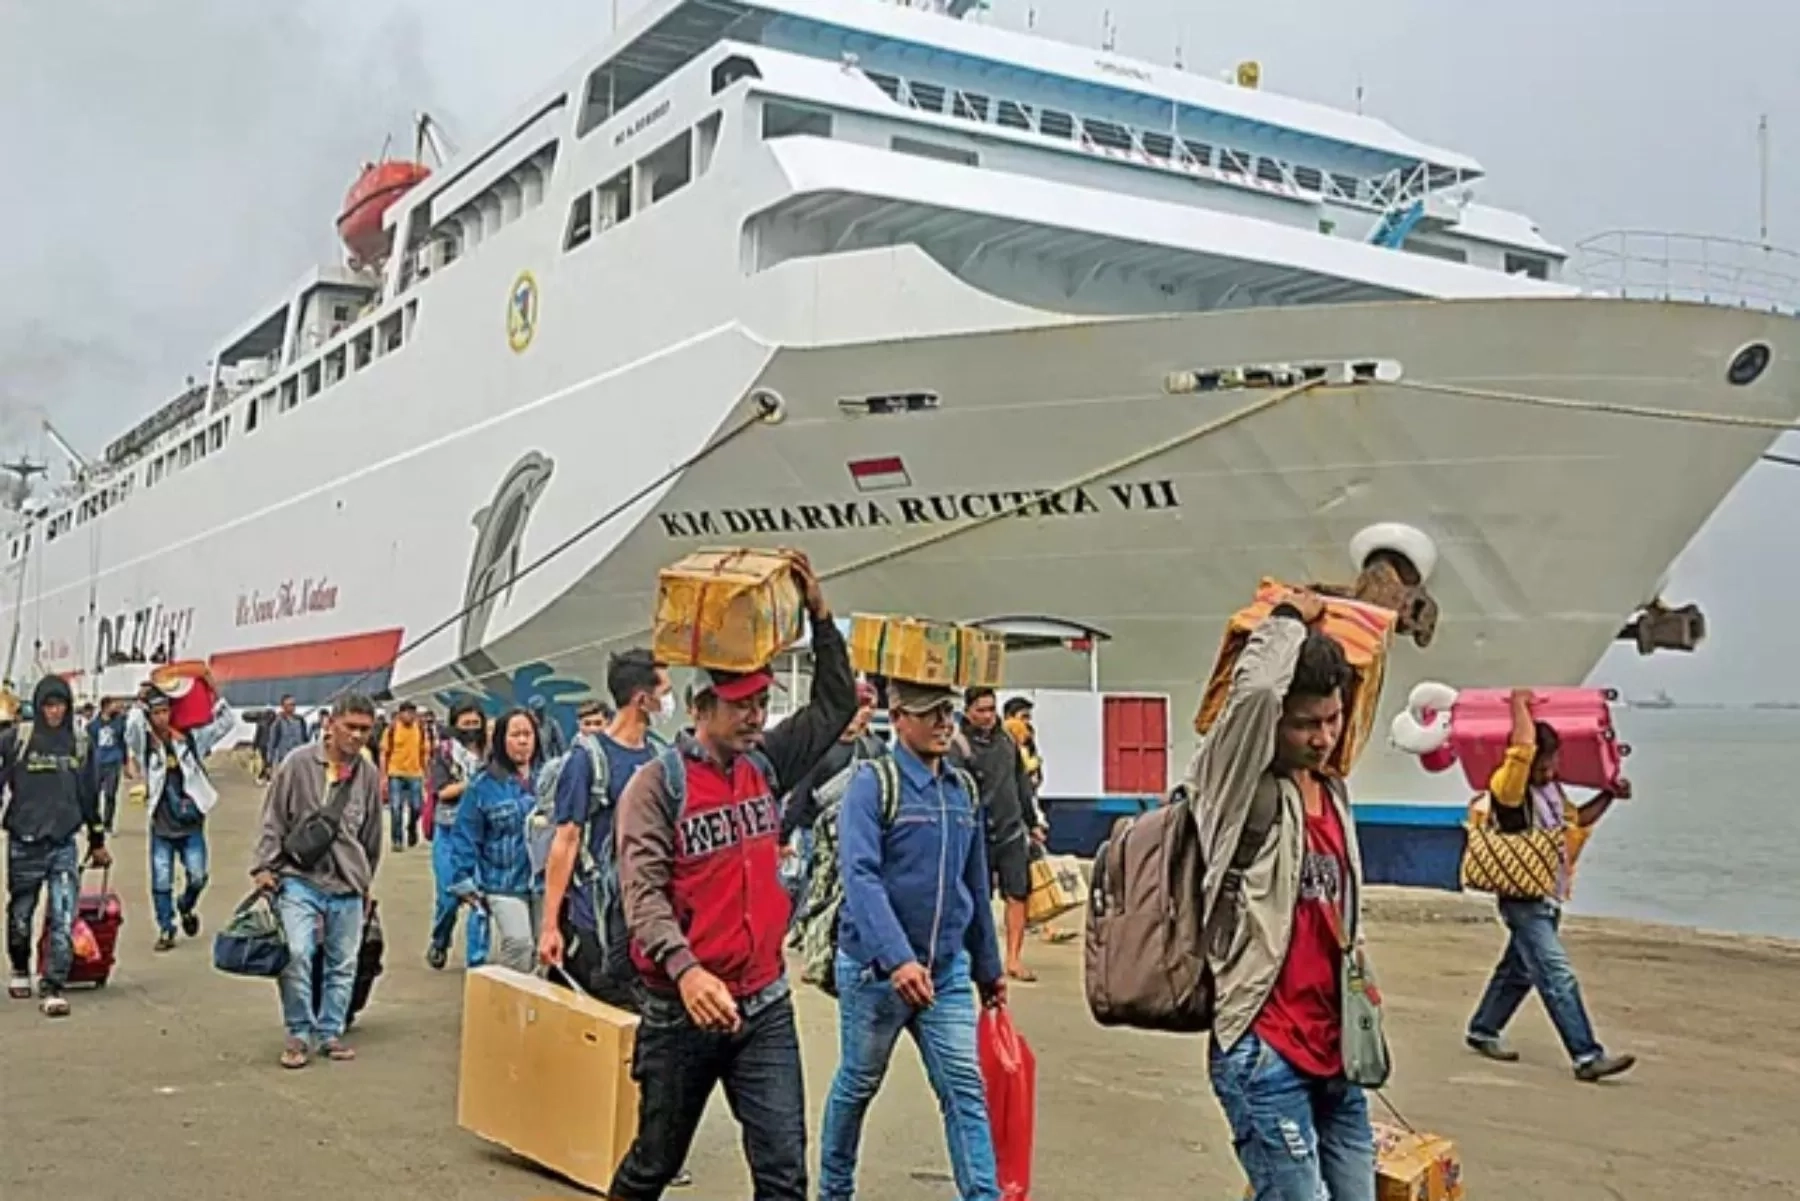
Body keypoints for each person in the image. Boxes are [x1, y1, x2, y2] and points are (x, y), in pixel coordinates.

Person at [609, 552, 855, 1201]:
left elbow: (834, 704)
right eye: (741, 705)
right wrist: (686, 968)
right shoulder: (656, 786)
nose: (755, 717)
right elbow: (641, 894)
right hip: (678, 1011)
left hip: (764, 1004)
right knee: (651, 1165)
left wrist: (822, 617)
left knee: (783, 1175)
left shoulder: (766, 766)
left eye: (762, 703)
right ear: (701, 705)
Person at [1195, 589, 1376, 1201]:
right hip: (1264, 1051)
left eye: (1332, 719)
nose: (1323, 737)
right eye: (1304, 724)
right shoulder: (1238, 786)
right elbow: (1254, 692)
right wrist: (1288, 620)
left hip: (1335, 1054)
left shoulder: (1332, 792)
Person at [819, 680, 1005, 1201]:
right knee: (858, 1083)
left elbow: (974, 882)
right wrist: (898, 959)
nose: (944, 723)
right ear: (898, 718)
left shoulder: (962, 791)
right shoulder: (872, 786)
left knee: (964, 1089)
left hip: (946, 971)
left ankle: (983, 1196)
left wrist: (988, 968)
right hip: (875, 974)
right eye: (931, 714)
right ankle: (833, 1192)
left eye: (948, 712)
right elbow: (860, 878)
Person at [1465, 689, 1635, 1082]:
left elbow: (1577, 822)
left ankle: (1483, 1028)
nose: (1548, 769)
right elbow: (1521, 750)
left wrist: (1609, 795)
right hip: (1522, 898)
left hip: (1548, 895)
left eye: (1552, 761)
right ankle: (1586, 1056)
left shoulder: (1552, 792)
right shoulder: (1508, 790)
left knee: (1519, 970)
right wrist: (1519, 705)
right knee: (1556, 974)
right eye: (1542, 762)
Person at [251, 693, 384, 1069]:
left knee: (344, 963)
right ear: (330, 723)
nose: (357, 737)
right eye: (351, 727)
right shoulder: (298, 764)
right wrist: (263, 867)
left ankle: (329, 1032)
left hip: (347, 883)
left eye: (365, 729)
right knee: (296, 953)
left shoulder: (368, 774)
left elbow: (372, 834)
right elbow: (273, 817)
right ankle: (298, 1032)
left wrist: (366, 881)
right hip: (299, 878)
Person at [539, 656, 672, 1007]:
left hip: (647, 915)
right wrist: (551, 925)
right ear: (642, 700)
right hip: (596, 917)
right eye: (666, 692)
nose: (670, 703)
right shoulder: (588, 760)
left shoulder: (660, 758)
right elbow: (565, 841)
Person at [3, 676, 110, 1017]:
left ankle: (53, 986)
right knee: (21, 916)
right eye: (48, 705)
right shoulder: (16, 741)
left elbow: (90, 794)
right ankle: (21, 968)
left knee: (63, 918)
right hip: (24, 842)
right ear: (39, 706)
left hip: (64, 843)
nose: (54, 711)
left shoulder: (80, 744)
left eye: (59, 705)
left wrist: (97, 841)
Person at [132, 681, 236, 952]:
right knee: (161, 881)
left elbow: (226, 723)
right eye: (155, 713)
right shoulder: (145, 745)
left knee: (198, 877)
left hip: (190, 823)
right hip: (162, 825)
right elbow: (131, 728)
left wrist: (212, 692)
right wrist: (139, 700)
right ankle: (166, 928)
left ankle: (185, 906)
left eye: (166, 711)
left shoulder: (190, 740)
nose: (161, 717)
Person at [953, 687, 1043, 982]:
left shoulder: (1007, 741)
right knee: (976, 899)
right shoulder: (958, 745)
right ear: (967, 711)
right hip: (975, 833)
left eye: (992, 709)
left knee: (1018, 894)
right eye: (981, 710)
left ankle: (1014, 960)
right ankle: (974, 957)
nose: (988, 716)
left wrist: (1033, 823)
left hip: (1011, 831)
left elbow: (1021, 785)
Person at [448, 708, 541, 973]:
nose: (523, 741)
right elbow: (466, 834)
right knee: (519, 943)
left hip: (543, 882)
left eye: (528, 734)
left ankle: (534, 1008)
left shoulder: (549, 778)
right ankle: (509, 1007)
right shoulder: (482, 786)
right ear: (501, 740)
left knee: (543, 953)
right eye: (515, 735)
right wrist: (463, 878)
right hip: (502, 882)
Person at [425, 700, 489, 969]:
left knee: (479, 900)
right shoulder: (444, 754)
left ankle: (477, 962)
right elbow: (442, 792)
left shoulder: (492, 753)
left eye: (476, 724)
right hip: (450, 831)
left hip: (482, 833)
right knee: (448, 898)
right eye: (466, 724)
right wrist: (473, 783)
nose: (472, 729)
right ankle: (440, 940)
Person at [379, 701, 428, 851]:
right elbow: (383, 753)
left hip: (415, 773)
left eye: (412, 713)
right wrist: (383, 776)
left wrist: (426, 774)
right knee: (395, 807)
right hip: (396, 772)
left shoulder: (420, 729)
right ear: (400, 714)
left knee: (417, 807)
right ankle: (397, 840)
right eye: (406, 712)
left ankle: (412, 827)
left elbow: (424, 752)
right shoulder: (392, 729)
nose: (409, 716)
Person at [88, 696, 129, 834]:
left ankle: (108, 824)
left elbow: (123, 743)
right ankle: (94, 822)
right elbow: (90, 744)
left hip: (113, 762)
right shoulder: (93, 725)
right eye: (113, 704)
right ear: (105, 706)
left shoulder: (119, 723)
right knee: (94, 794)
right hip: (98, 762)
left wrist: (125, 763)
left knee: (110, 794)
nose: (116, 707)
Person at [264, 695, 310, 780]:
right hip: (283, 761)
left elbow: (306, 741)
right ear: (283, 706)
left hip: (298, 761)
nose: (292, 707)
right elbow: (272, 744)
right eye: (289, 704)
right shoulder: (277, 723)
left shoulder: (300, 720)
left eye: (294, 704)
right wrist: (269, 764)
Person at [531, 695, 568, 761]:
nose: (540, 712)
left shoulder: (552, 723)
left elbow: (562, 745)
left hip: (550, 763)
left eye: (541, 709)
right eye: (537, 710)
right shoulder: (528, 726)